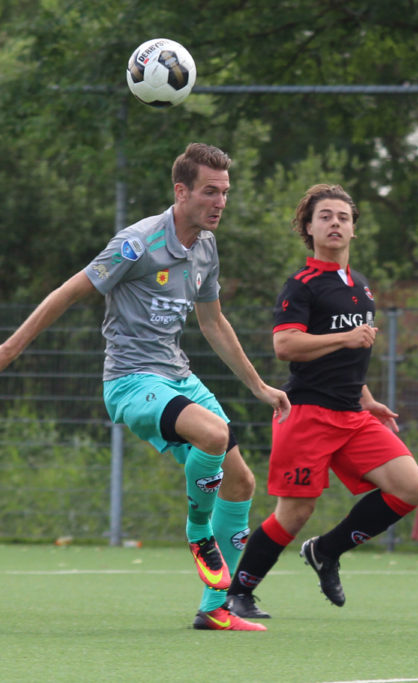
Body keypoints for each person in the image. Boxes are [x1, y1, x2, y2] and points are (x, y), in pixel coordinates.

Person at [0, 142, 290, 631]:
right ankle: (199, 534)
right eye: (209, 192)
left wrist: (259, 385)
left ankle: (214, 608)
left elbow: (214, 322)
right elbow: (67, 294)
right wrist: (9, 349)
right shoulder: (136, 243)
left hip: (177, 375)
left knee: (241, 481)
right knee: (215, 435)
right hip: (131, 380)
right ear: (181, 191)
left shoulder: (206, 246)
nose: (220, 202)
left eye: (224, 193)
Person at [223, 183, 418, 620]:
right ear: (309, 228)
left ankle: (326, 551)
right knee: (295, 511)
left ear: (354, 230)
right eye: (326, 216)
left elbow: (348, 357)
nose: (335, 223)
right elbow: (286, 345)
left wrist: (367, 398)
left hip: (352, 415)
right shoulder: (301, 285)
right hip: (307, 415)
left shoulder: (362, 287)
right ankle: (239, 593)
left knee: (410, 487)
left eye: (344, 217)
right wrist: (347, 337)